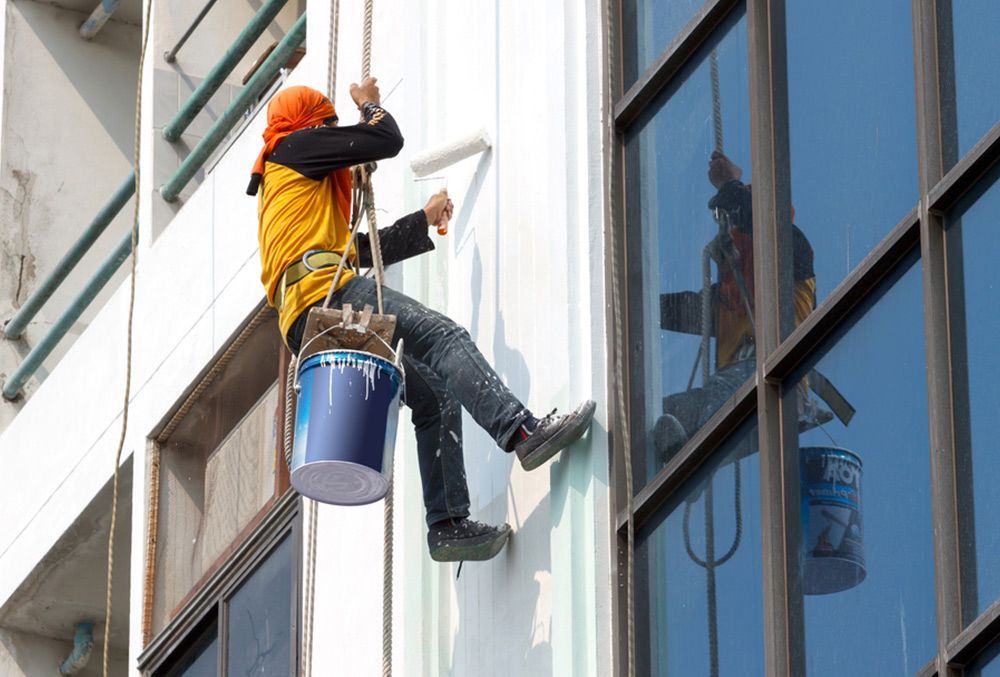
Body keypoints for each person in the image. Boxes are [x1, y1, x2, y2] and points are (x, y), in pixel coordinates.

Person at [248, 80, 596, 563]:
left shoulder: (290, 190)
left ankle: (448, 524)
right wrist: (368, 102)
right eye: (327, 125)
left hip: (308, 309)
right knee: (442, 336)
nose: (332, 134)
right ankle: (523, 433)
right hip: (324, 295)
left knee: (432, 394)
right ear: (309, 122)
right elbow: (385, 138)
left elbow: (356, 250)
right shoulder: (293, 146)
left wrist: (422, 220)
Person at [655, 151, 816, 462]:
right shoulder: (730, 303)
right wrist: (641, 306)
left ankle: (687, 460)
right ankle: (681, 469)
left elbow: (761, 225)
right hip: (741, 397)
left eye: (740, 234)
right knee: (659, 416)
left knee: (713, 398)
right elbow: (681, 309)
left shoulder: (795, 258)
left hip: (772, 386)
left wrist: (729, 183)